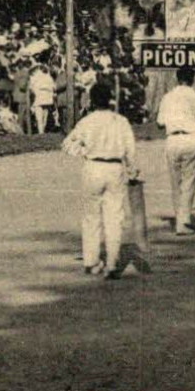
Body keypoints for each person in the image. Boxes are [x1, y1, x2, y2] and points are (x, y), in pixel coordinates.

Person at [62, 80, 140, 280]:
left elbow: (67, 144)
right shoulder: (120, 121)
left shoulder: (87, 121)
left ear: (92, 100)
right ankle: (113, 264)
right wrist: (132, 173)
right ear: (110, 99)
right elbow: (130, 151)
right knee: (114, 217)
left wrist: (83, 151)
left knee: (91, 216)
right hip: (115, 167)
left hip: (93, 166)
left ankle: (91, 261)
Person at [156, 66, 195, 235]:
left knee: (176, 183)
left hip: (173, 140)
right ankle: (183, 221)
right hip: (191, 139)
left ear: (177, 78)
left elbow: (159, 123)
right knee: (189, 181)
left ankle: (180, 218)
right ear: (192, 79)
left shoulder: (167, 97)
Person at [27, 60, 56, 134]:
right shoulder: (48, 77)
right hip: (47, 98)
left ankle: (41, 131)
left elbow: (31, 88)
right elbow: (53, 87)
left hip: (39, 98)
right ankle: (42, 130)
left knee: (39, 116)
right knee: (44, 115)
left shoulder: (34, 78)